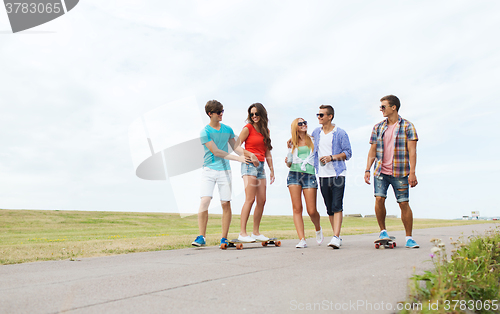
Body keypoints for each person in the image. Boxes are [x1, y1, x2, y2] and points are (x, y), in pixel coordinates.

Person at [192, 100, 250, 247]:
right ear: (210, 114)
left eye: (222, 111)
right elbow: (216, 151)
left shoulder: (228, 129)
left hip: (225, 171)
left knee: (225, 203)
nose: (221, 114)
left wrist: (250, 155)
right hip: (209, 170)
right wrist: (238, 159)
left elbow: (236, 147)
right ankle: (201, 237)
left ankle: (224, 238)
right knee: (205, 201)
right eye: (219, 112)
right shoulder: (205, 132)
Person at [364, 95, 419, 248]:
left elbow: (412, 151)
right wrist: (367, 169)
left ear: (393, 107)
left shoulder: (408, 126)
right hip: (381, 171)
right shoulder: (378, 127)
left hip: (400, 172)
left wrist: (412, 173)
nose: (380, 109)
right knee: (379, 199)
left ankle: (409, 238)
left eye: (383, 106)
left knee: (403, 203)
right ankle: (383, 231)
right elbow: (372, 150)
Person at [311, 105, 352, 249]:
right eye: (318, 114)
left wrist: (332, 157)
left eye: (321, 115)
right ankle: (336, 236)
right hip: (322, 175)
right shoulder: (316, 133)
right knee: (329, 207)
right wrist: (292, 142)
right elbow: (307, 143)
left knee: (337, 205)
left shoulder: (340, 133)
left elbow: (348, 153)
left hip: (338, 173)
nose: (319, 117)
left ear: (330, 116)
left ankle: (336, 236)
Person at [237, 103, 275, 243]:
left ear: (262, 115)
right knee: (250, 199)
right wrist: (250, 154)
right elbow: (235, 145)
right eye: (251, 114)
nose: (254, 117)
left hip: (261, 167)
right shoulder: (248, 128)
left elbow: (267, 151)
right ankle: (242, 233)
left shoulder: (266, 131)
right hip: (249, 166)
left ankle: (256, 232)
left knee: (262, 200)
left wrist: (271, 169)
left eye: (256, 114)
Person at [286, 118, 323, 248]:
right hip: (293, 175)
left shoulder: (313, 140)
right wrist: (287, 161)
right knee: (297, 208)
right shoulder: (291, 143)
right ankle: (302, 239)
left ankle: (318, 228)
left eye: (305, 122)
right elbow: (290, 163)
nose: (304, 125)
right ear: (295, 127)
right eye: (300, 123)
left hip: (309, 175)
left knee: (312, 210)